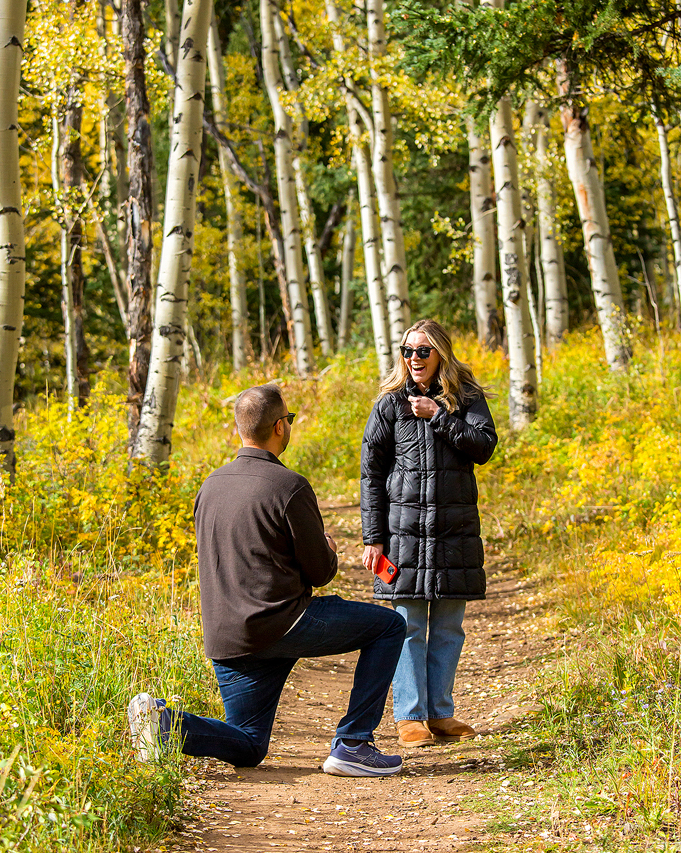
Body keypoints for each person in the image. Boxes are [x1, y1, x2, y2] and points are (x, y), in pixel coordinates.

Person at [128, 383, 406, 777]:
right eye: (289, 419)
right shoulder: (288, 486)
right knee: (389, 627)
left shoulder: (210, 486)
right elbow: (320, 573)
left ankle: (165, 724)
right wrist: (329, 550)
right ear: (279, 426)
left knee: (249, 743)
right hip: (282, 624)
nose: (289, 425)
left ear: (241, 428)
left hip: (227, 637)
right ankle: (354, 743)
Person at [361, 319, 497, 749]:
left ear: (440, 353)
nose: (413, 359)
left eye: (422, 351)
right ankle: (410, 716)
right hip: (402, 534)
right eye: (407, 351)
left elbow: (484, 447)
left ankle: (440, 713)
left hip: (453, 532)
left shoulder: (466, 398)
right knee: (408, 624)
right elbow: (371, 473)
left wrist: (440, 416)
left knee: (449, 627)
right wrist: (373, 537)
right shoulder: (389, 405)